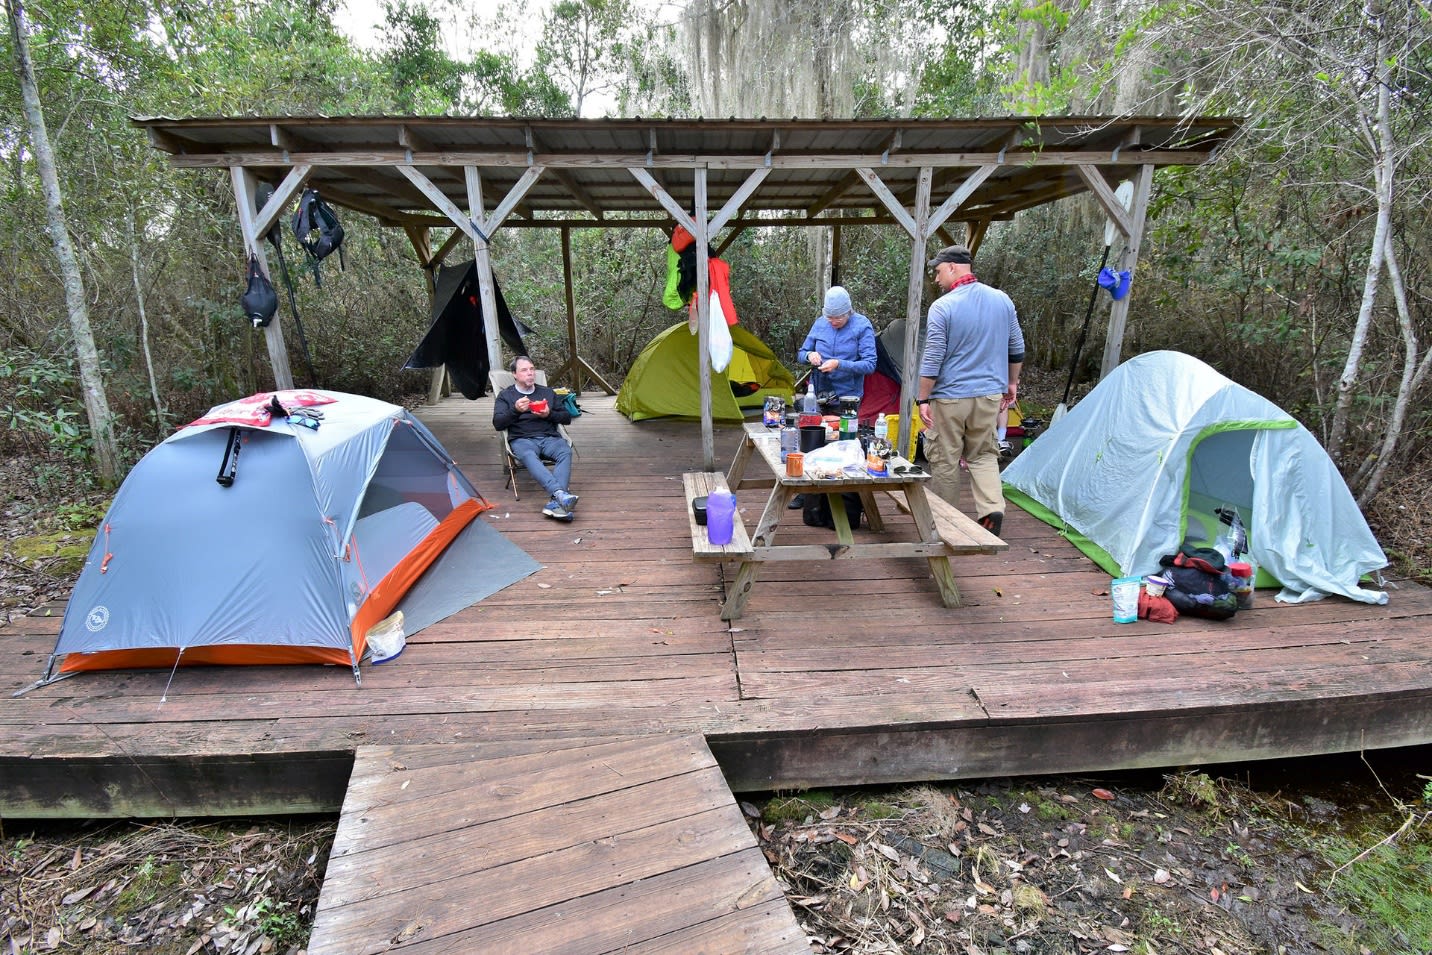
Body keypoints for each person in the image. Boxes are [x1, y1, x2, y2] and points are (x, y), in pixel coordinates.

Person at [916, 245, 1025, 536]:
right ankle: (991, 509)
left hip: (950, 397)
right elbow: (1016, 347)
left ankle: (946, 521)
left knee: (945, 458)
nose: (936, 278)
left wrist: (923, 398)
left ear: (952, 267)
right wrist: (1012, 382)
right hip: (989, 395)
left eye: (938, 271)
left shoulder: (943, 307)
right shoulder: (1002, 300)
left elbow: (933, 357)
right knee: (984, 454)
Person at [790, 285, 877, 508]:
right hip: (818, 394)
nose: (833, 321)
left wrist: (839, 364)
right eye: (829, 317)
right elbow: (801, 354)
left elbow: (870, 364)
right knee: (812, 442)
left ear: (848, 312)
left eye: (837, 318)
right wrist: (810, 355)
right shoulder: (820, 324)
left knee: (842, 446)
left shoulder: (862, 326)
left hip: (847, 398)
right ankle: (806, 493)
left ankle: (842, 497)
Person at [492, 356, 578, 522]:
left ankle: (557, 502)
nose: (530, 373)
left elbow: (566, 417)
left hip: (549, 438)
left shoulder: (547, 393)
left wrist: (548, 414)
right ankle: (560, 495)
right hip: (522, 439)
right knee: (528, 455)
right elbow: (498, 423)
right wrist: (515, 410)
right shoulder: (506, 396)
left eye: (532, 369)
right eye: (524, 370)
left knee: (565, 451)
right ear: (514, 374)